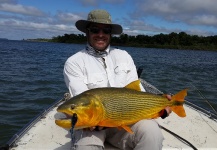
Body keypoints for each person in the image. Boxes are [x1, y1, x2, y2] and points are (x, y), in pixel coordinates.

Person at [63, 9, 171, 150]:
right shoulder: (74, 62)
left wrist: (160, 108)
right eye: (95, 30)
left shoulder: (124, 56)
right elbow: (82, 102)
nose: (100, 35)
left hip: (125, 120)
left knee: (152, 133)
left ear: (110, 33)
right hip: (91, 126)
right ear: (87, 32)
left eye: (106, 30)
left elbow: (137, 93)